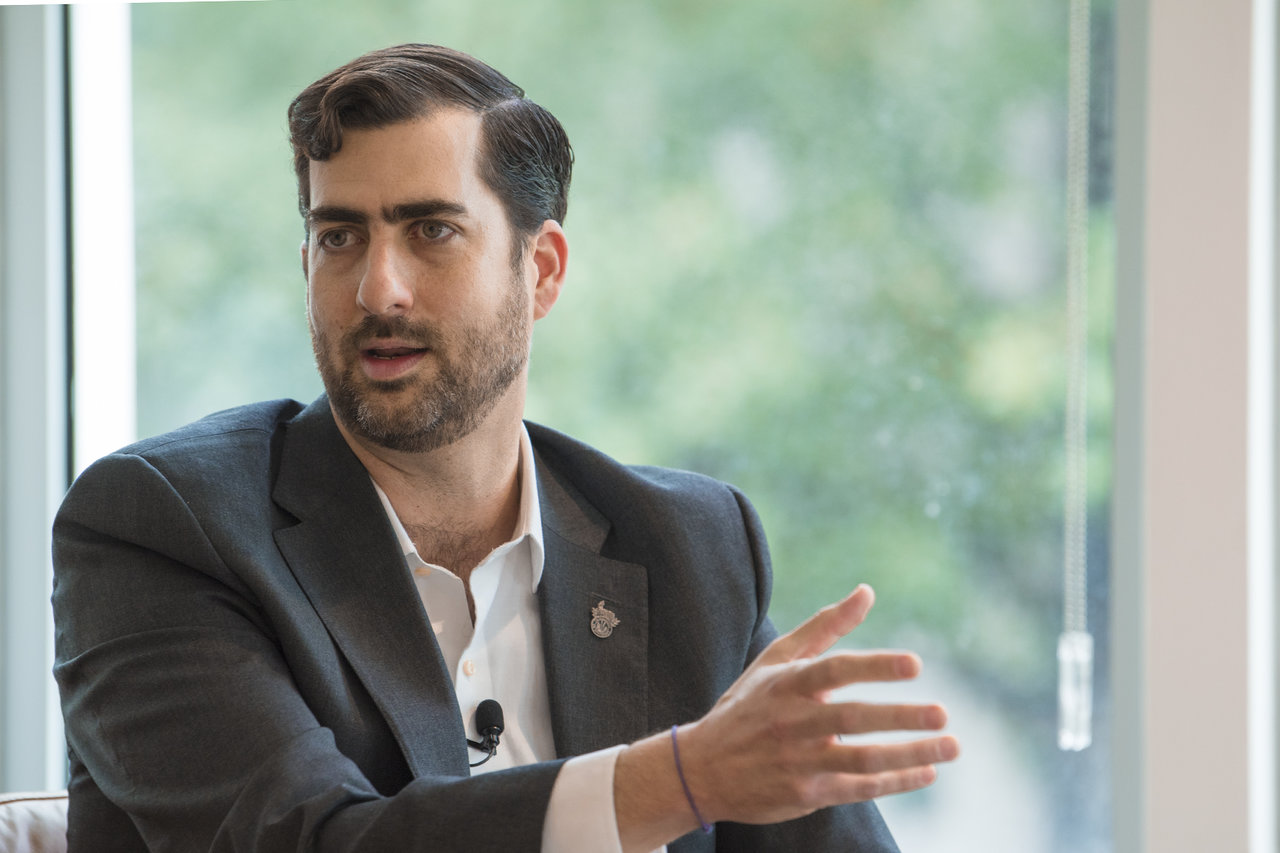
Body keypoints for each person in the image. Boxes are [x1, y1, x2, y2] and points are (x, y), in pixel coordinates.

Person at [51, 44, 959, 852]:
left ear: (542, 271)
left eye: (432, 231)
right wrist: (679, 781)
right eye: (340, 237)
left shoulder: (689, 546)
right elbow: (307, 839)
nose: (377, 288)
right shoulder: (162, 526)